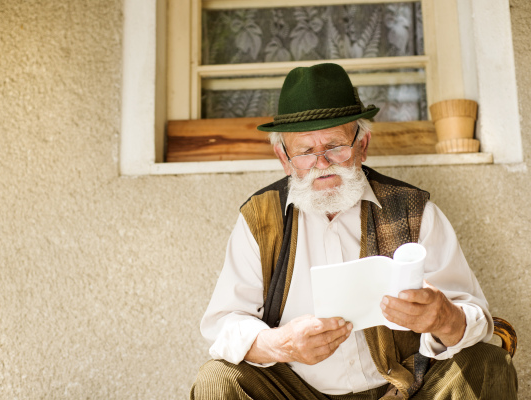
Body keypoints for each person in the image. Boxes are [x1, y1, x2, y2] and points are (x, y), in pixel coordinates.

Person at [190, 63, 517, 400]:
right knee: (218, 379)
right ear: (284, 158)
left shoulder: (414, 211)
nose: (322, 163)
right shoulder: (259, 220)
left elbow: (475, 317)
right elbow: (223, 326)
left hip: (406, 389)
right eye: (305, 151)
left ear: (362, 145)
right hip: (294, 392)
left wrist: (444, 318)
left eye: (335, 146)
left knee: (486, 362)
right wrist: (282, 344)